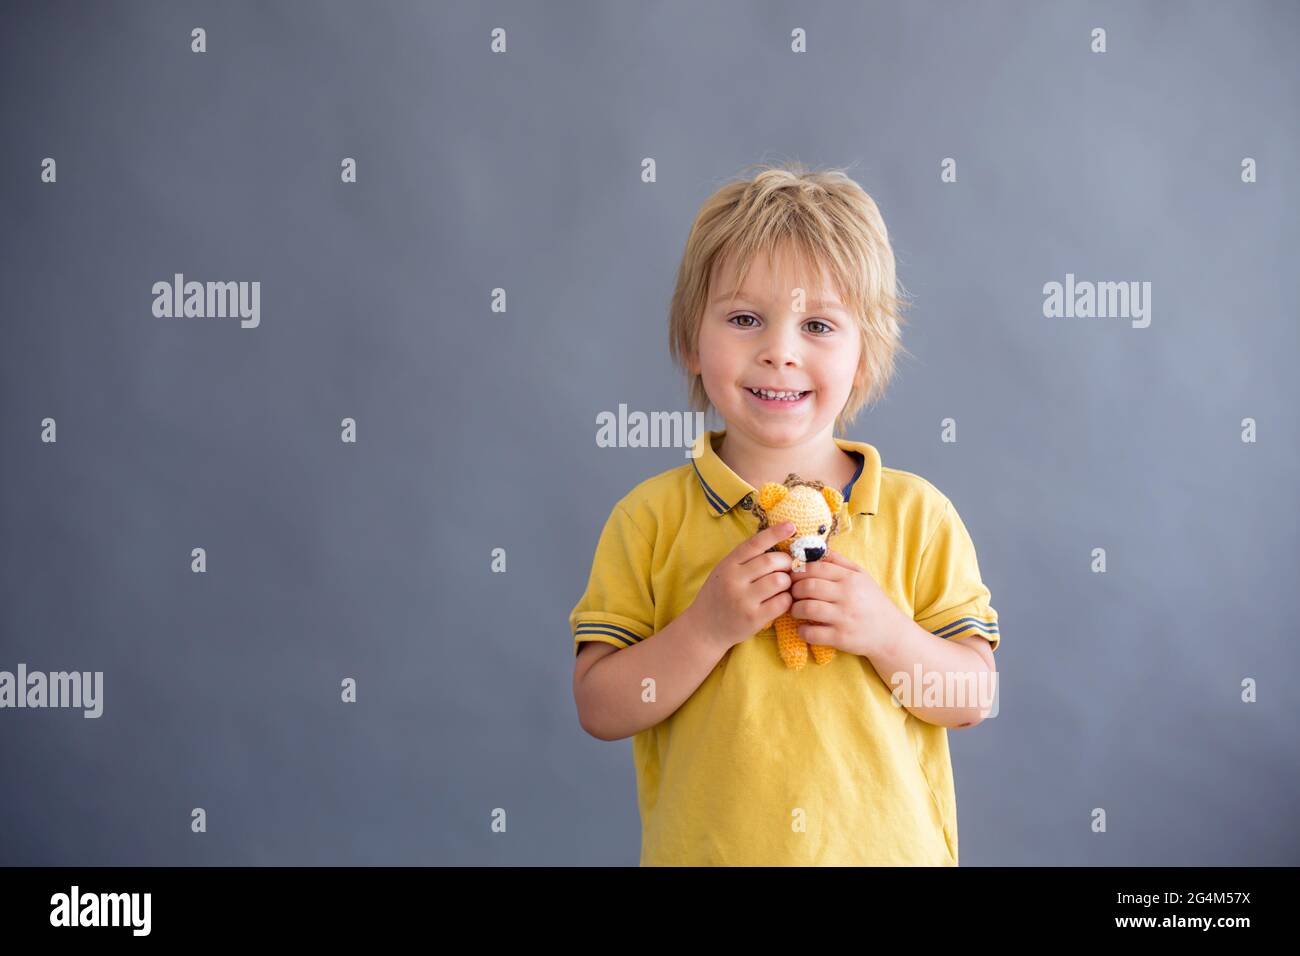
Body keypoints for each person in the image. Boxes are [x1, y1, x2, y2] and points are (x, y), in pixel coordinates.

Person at [570, 162, 1000, 866]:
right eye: (744, 319)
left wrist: (887, 634)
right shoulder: (647, 520)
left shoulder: (920, 515)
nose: (779, 351)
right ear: (690, 343)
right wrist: (706, 629)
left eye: (819, 324)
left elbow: (971, 696)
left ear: (865, 356)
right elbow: (600, 707)